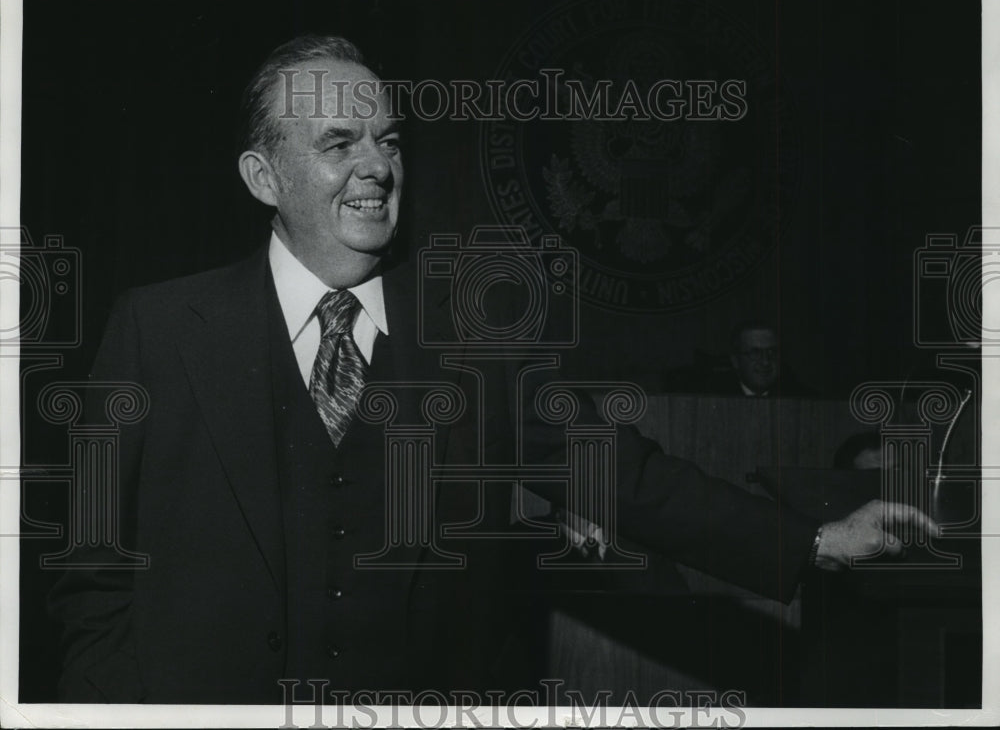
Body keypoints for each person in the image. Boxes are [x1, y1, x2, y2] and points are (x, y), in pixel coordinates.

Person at [47, 35, 939, 704]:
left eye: (388, 140)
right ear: (262, 175)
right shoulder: (157, 330)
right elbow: (89, 569)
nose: (377, 168)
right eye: (338, 142)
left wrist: (814, 540)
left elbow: (626, 475)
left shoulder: (477, 342)